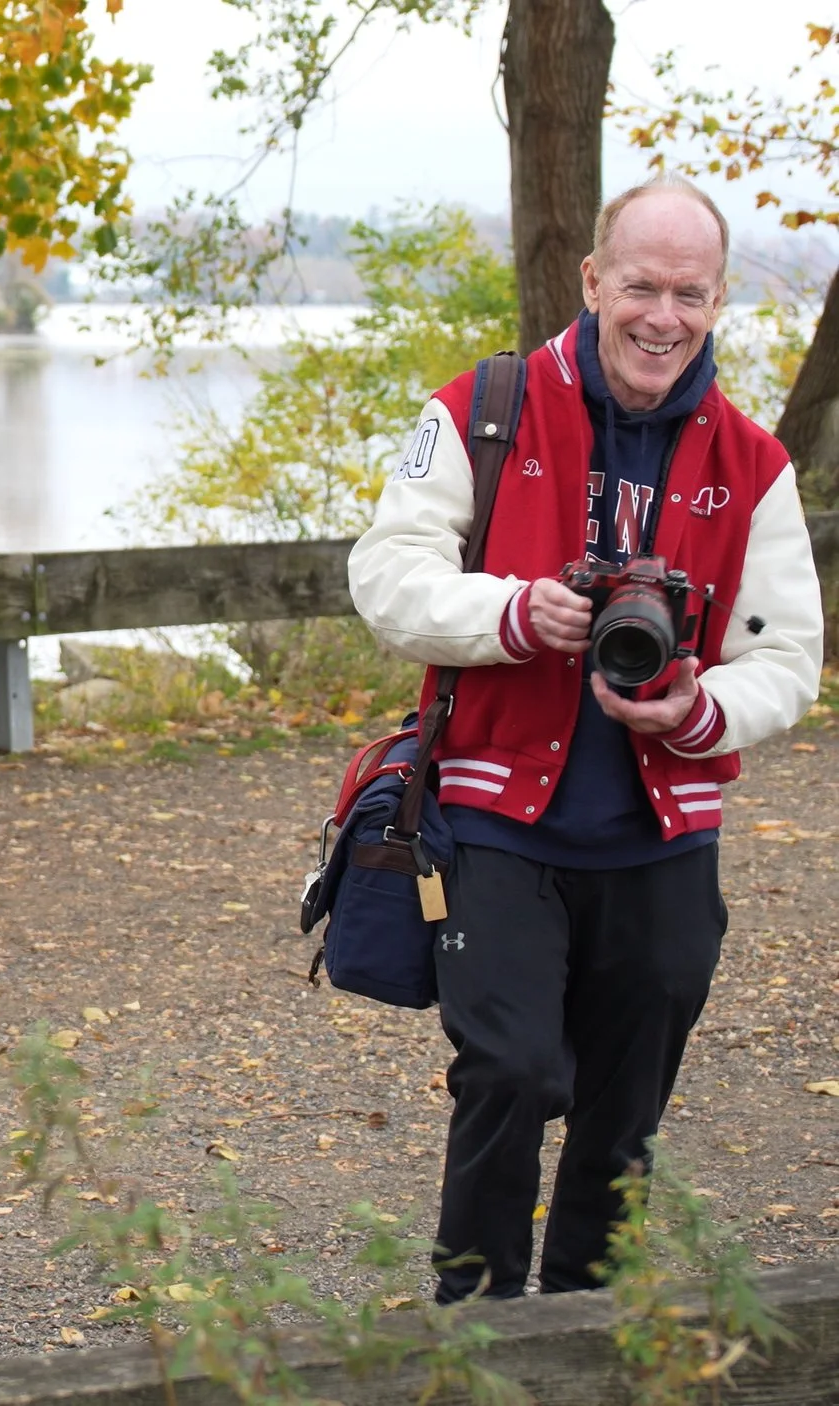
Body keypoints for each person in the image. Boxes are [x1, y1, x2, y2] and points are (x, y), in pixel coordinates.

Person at [349, 175, 821, 1304]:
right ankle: (473, 1325)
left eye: (690, 293)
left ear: (715, 304)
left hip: (660, 834)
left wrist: (698, 711)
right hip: (493, 814)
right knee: (508, 1068)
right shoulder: (480, 408)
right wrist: (508, 613)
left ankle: (586, 1325)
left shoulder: (752, 464)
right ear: (592, 280)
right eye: (642, 285)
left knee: (624, 1106)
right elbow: (384, 575)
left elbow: (788, 658)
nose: (663, 315)